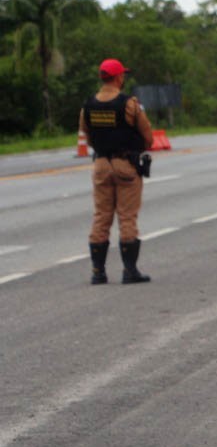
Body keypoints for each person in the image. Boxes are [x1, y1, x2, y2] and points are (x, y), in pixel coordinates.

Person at [80, 58, 154, 284]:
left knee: (101, 216)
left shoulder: (88, 105)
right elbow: (148, 137)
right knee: (127, 217)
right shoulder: (129, 104)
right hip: (125, 165)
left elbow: (87, 135)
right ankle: (130, 271)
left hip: (101, 164)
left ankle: (98, 272)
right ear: (119, 77)